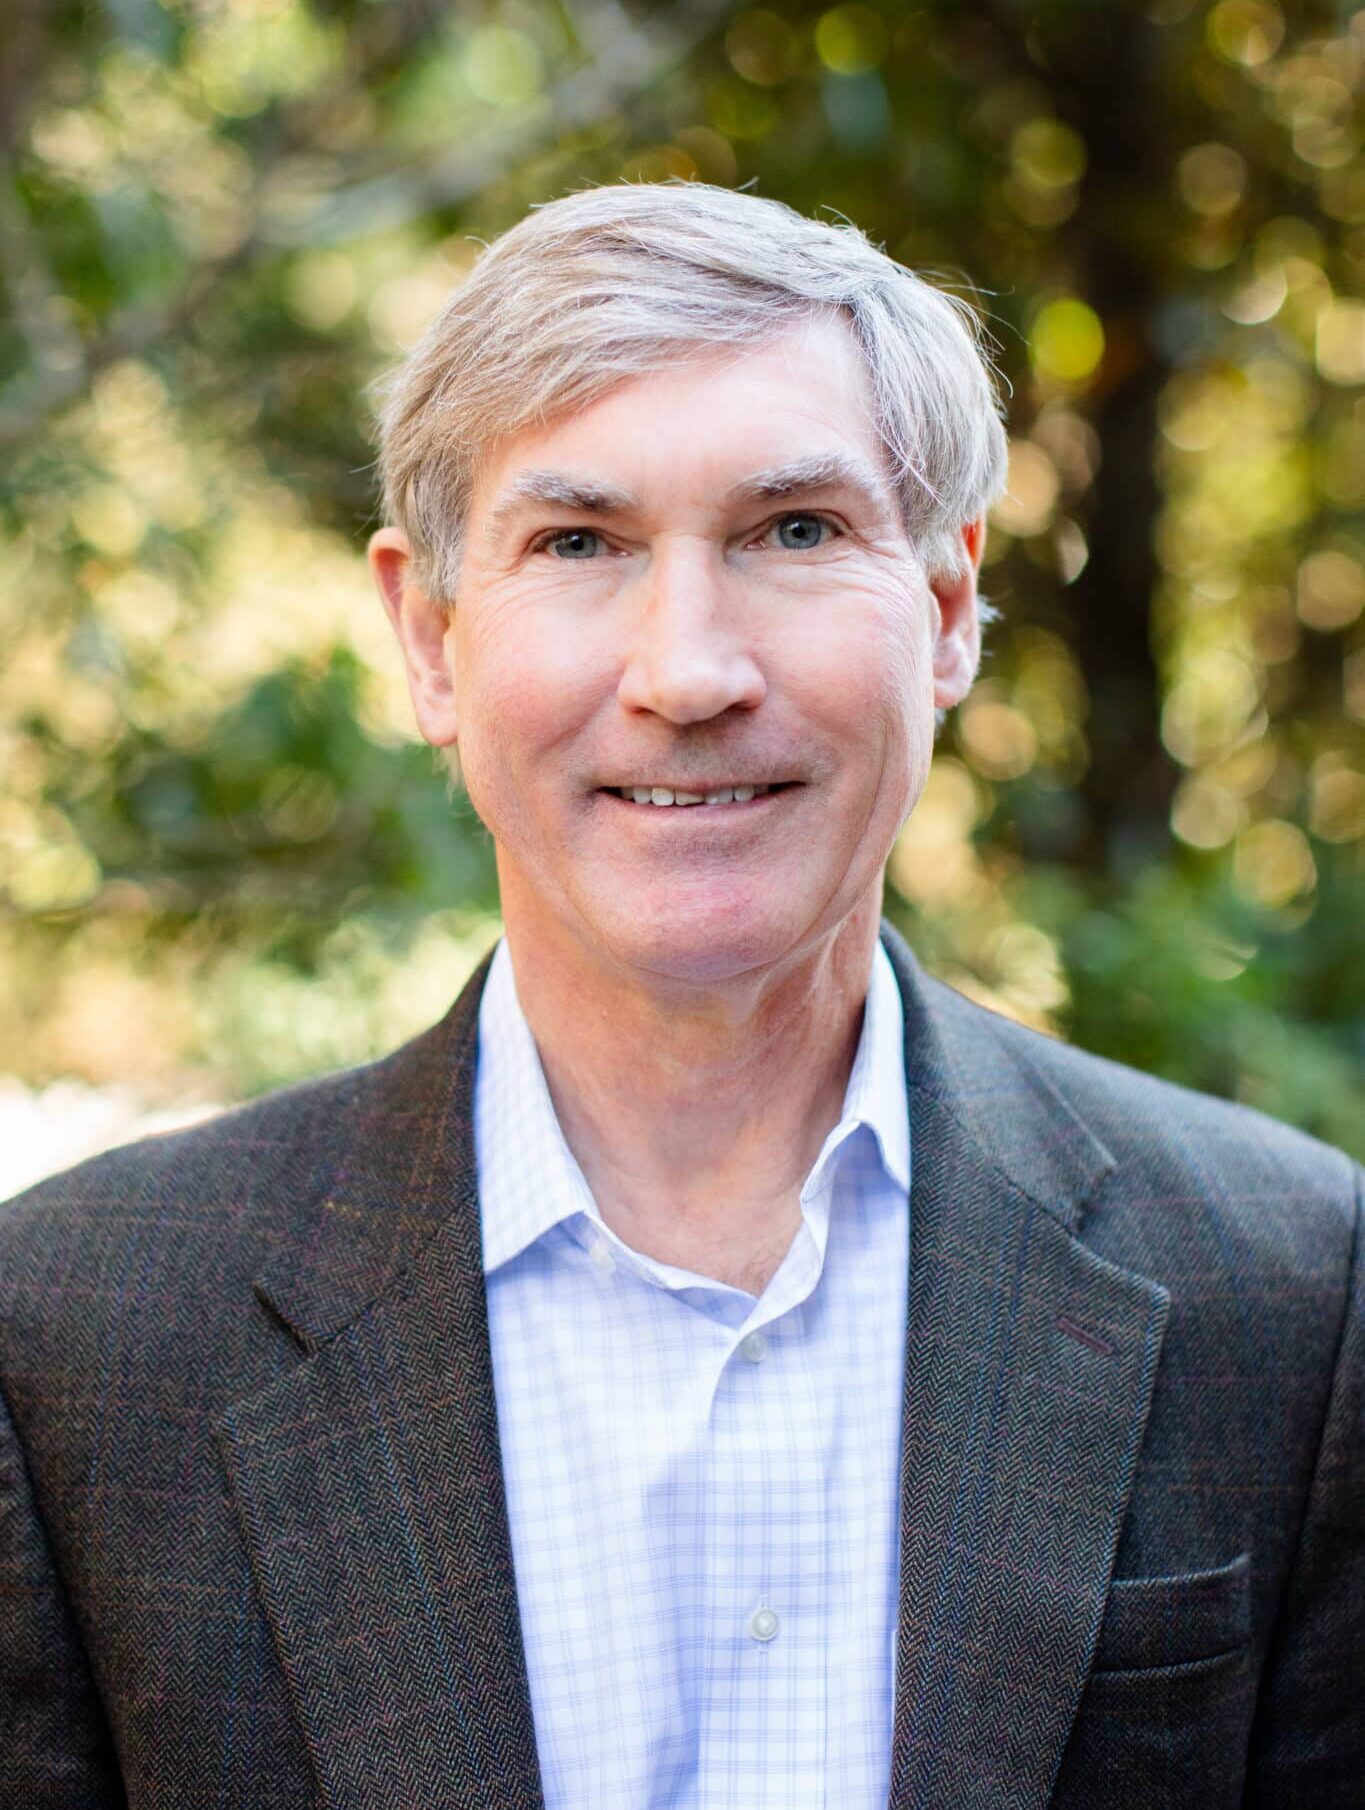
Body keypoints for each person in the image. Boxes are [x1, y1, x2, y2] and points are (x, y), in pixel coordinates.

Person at [0, 182, 1359, 1810]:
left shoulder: (1285, 1289)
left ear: (940, 613)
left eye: (795, 532)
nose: (689, 671)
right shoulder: (74, 1335)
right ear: (429, 638)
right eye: (578, 543)